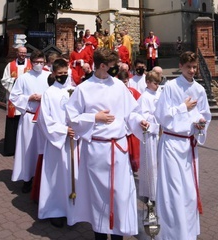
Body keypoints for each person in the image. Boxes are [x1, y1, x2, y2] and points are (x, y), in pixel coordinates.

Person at [66, 48, 149, 240]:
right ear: (102, 66)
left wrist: (140, 122)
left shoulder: (119, 86)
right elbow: (72, 117)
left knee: (120, 196)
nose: (116, 70)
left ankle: (118, 235)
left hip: (118, 149)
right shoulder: (83, 89)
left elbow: (131, 113)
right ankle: (100, 236)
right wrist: (94, 117)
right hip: (96, 150)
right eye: (112, 67)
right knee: (99, 198)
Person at [154, 51, 211, 240]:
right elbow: (160, 115)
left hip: (189, 145)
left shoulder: (200, 89)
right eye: (189, 67)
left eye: (194, 67)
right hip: (171, 143)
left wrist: (201, 124)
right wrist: (182, 108)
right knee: (173, 191)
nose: (193, 71)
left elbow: (205, 114)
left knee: (189, 192)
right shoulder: (170, 87)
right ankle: (172, 234)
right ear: (181, 66)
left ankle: (188, 232)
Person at [37, 58, 79, 227]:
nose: (62, 76)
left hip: (73, 141)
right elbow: (44, 120)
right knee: (55, 177)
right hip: (57, 143)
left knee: (72, 175)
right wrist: (63, 130)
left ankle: (73, 210)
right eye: (59, 74)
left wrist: (76, 127)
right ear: (53, 73)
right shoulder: (49, 93)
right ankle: (55, 210)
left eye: (65, 73)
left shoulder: (74, 90)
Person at [10, 50, 51, 193]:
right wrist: (29, 98)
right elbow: (14, 97)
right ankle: (27, 178)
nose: (39, 65)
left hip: (44, 118)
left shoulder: (49, 77)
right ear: (31, 62)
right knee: (28, 149)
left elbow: (56, 94)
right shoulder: (24, 78)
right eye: (36, 62)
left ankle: (41, 179)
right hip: (28, 117)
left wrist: (44, 97)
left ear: (45, 62)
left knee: (43, 149)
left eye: (41, 62)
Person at [1, 46, 30, 156]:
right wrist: (15, 81)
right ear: (17, 53)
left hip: (26, 98)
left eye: (24, 53)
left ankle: (24, 148)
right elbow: (4, 80)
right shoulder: (10, 65)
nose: (23, 54)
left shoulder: (30, 65)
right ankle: (11, 149)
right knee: (13, 122)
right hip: (13, 98)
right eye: (21, 52)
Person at [138, 70, 161, 203]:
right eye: (154, 83)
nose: (157, 85)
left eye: (158, 83)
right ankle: (151, 192)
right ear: (147, 82)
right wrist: (157, 116)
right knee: (150, 164)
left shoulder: (160, 93)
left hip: (160, 132)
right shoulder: (144, 97)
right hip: (150, 134)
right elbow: (143, 115)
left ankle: (160, 189)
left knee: (159, 163)